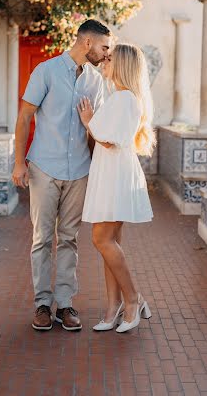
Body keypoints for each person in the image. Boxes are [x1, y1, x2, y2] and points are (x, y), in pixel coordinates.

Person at [12, 19, 112, 332]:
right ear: (87, 43)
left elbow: (95, 129)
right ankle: (42, 303)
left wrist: (99, 165)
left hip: (80, 170)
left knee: (69, 238)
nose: (107, 54)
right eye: (104, 47)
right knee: (42, 238)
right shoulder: (46, 71)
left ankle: (65, 304)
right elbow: (25, 117)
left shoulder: (96, 81)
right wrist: (19, 163)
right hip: (44, 167)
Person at [77, 43, 155, 333]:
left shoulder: (124, 99)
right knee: (110, 243)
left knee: (102, 239)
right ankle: (112, 309)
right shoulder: (121, 97)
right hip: (111, 172)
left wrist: (88, 122)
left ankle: (133, 299)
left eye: (109, 59)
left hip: (115, 175)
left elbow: (108, 139)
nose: (104, 62)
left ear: (122, 65)